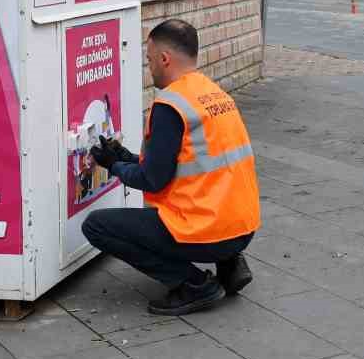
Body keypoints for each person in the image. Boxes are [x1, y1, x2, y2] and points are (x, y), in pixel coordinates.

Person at [82, 19, 259, 316]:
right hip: (242, 227)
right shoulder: (213, 93)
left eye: (149, 60)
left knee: (96, 225)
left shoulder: (170, 106)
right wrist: (124, 155)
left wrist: (113, 166)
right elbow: (182, 165)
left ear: (164, 59)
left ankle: (194, 285)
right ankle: (231, 263)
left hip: (207, 230)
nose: (149, 67)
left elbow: (153, 180)